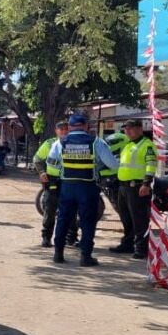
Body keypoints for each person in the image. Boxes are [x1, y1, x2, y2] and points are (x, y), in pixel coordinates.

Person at [46, 114, 119, 266]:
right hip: (88, 187)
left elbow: (51, 163)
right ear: (86, 126)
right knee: (87, 221)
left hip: (67, 186)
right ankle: (85, 257)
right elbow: (113, 165)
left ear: (70, 127)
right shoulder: (96, 142)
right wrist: (98, 167)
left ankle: (58, 254)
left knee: (63, 219)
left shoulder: (60, 142)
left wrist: (62, 170)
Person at [110, 119, 157, 259]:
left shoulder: (147, 145)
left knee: (139, 219)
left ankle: (141, 249)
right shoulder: (128, 145)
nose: (127, 131)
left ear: (139, 129)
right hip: (124, 187)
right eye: (126, 129)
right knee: (126, 218)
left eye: (130, 128)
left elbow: (151, 165)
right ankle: (128, 244)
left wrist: (146, 184)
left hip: (137, 186)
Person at [33, 121, 78, 247]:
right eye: (60, 129)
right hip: (52, 181)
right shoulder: (49, 143)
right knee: (50, 211)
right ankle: (46, 238)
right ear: (56, 130)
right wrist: (42, 172)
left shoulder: (75, 143)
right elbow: (37, 159)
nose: (63, 131)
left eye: (65, 129)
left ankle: (72, 238)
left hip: (70, 181)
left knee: (71, 210)